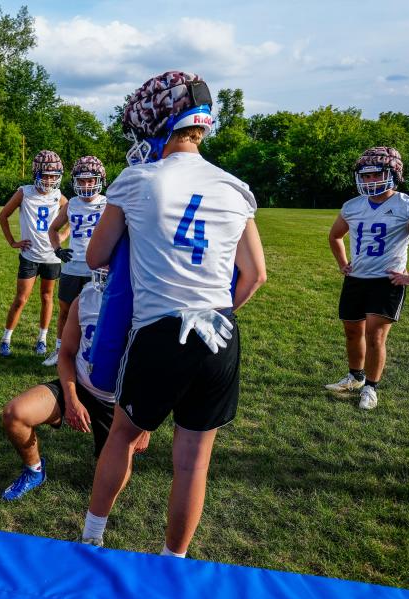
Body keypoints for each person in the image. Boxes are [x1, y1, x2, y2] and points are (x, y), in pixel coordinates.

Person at [79, 71, 267, 557]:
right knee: (193, 461)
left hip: (161, 331)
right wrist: (218, 314)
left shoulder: (138, 180)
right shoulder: (235, 187)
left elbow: (96, 256)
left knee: (122, 436)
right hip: (221, 332)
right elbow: (255, 275)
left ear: (159, 123)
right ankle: (174, 559)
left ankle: (93, 536)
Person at [0, 269, 150, 500]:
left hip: (118, 403)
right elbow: (67, 354)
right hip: (79, 384)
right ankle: (35, 470)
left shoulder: (147, 306)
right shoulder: (85, 298)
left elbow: (154, 372)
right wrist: (71, 400)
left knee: (110, 484)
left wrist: (144, 423)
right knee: (15, 414)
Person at [326, 147, 409, 410]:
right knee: (352, 332)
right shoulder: (352, 206)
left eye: (375, 174)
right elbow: (335, 236)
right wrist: (343, 263)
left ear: (393, 173)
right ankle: (355, 377)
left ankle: (371, 387)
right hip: (356, 278)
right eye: (365, 177)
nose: (369, 181)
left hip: (386, 281)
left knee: (375, 335)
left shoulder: (408, 206)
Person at [0, 151, 69, 358]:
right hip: (30, 255)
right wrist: (12, 242)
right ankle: (6, 338)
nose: (49, 179)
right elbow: (3, 216)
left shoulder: (58, 196)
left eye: (53, 175)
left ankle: (42, 338)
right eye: (45, 175)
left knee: (47, 298)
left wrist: (64, 234)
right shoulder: (25, 192)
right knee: (21, 299)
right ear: (36, 174)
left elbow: (75, 214)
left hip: (52, 256)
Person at [43, 155, 108, 366]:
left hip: (99, 268)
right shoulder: (71, 204)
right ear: (75, 181)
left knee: (98, 313)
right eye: (82, 180)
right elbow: (53, 228)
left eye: (91, 180)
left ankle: (93, 351)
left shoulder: (109, 204)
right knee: (65, 310)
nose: (87, 184)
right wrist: (57, 249)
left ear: (100, 180)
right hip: (72, 266)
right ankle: (60, 350)